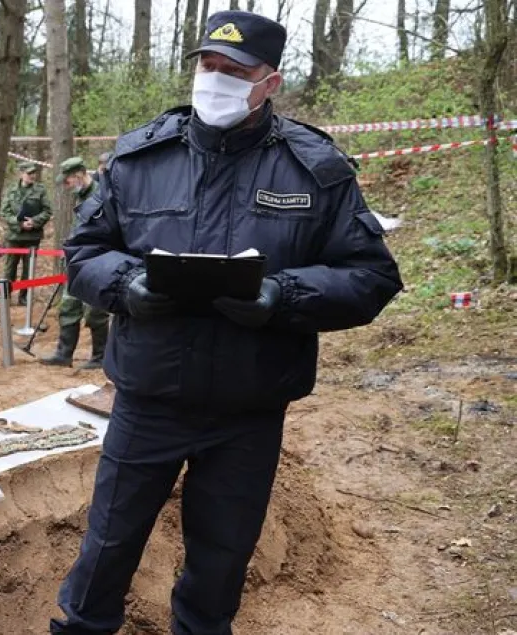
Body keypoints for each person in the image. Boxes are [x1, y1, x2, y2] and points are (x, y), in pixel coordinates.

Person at [52, 10, 403, 635]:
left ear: (269, 83)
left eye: (234, 71)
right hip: (147, 399)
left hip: (249, 407)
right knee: (107, 547)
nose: (215, 80)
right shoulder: (139, 158)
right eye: (207, 66)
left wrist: (283, 294)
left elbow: (371, 276)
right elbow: (82, 254)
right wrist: (127, 285)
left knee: (220, 563)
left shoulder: (315, 168)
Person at [40, 157, 109, 369]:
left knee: (96, 310)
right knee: (69, 305)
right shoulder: (82, 196)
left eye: (68, 181)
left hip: (97, 260)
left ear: (79, 174)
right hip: (77, 260)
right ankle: (64, 354)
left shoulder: (101, 194)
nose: (66, 186)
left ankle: (100, 357)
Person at [0, 162, 52, 305]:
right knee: (10, 267)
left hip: (32, 237)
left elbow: (47, 211)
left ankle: (24, 298)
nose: (32, 176)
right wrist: (19, 224)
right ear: (21, 174)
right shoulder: (11, 190)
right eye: (29, 173)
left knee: (29, 269)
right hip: (15, 236)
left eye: (33, 173)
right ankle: (5, 296)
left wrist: (34, 221)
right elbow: (4, 212)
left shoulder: (40, 190)